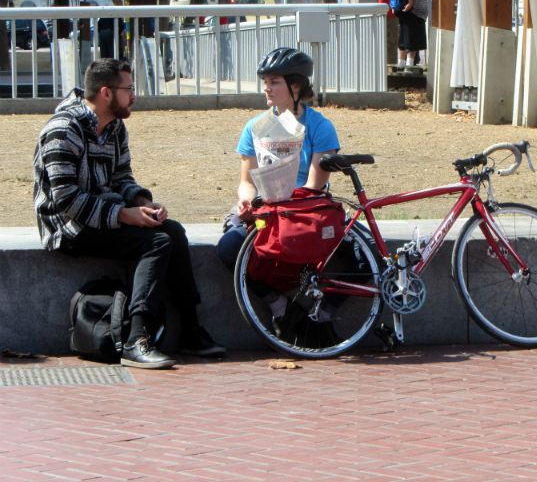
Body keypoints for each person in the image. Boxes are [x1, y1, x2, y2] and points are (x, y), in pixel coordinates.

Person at [33, 58, 225, 369]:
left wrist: (143, 202)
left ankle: (191, 331)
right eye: (129, 88)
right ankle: (136, 339)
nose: (134, 95)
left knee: (172, 231)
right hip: (67, 227)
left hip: (103, 215)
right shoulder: (63, 130)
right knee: (156, 242)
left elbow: (121, 177)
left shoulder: (114, 126)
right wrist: (124, 215)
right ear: (107, 92)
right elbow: (65, 200)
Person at [216, 47, 340, 335]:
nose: (267, 89)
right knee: (229, 246)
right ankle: (278, 307)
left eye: (274, 82)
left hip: (305, 210)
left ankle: (322, 317)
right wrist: (246, 201)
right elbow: (246, 181)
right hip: (266, 212)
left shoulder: (321, 127)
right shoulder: (255, 127)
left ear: (295, 86)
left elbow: (314, 186)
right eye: (265, 82)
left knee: (364, 256)